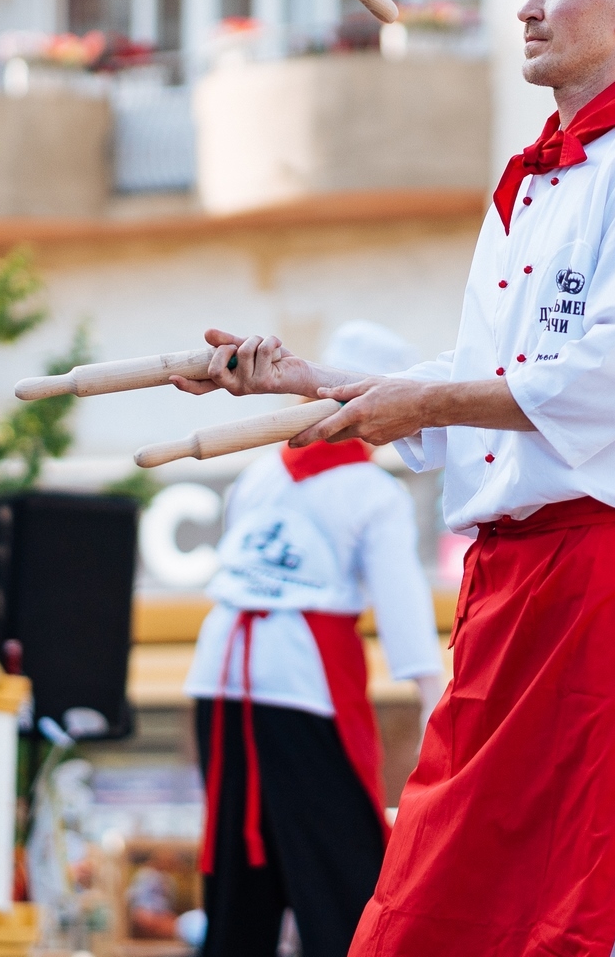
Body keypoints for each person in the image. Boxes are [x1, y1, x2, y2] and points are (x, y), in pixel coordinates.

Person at [175, 0, 615, 957]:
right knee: (436, 903)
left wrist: (419, 399)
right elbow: (478, 382)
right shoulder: (532, 186)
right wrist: (303, 380)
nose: (526, 6)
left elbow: (611, 380)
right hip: (510, 584)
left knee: (597, 907)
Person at [183, 321, 446, 957]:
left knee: (240, 874)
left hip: (220, 668)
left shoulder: (260, 474)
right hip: (298, 676)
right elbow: (402, 604)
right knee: (342, 872)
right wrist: (432, 699)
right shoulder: (374, 492)